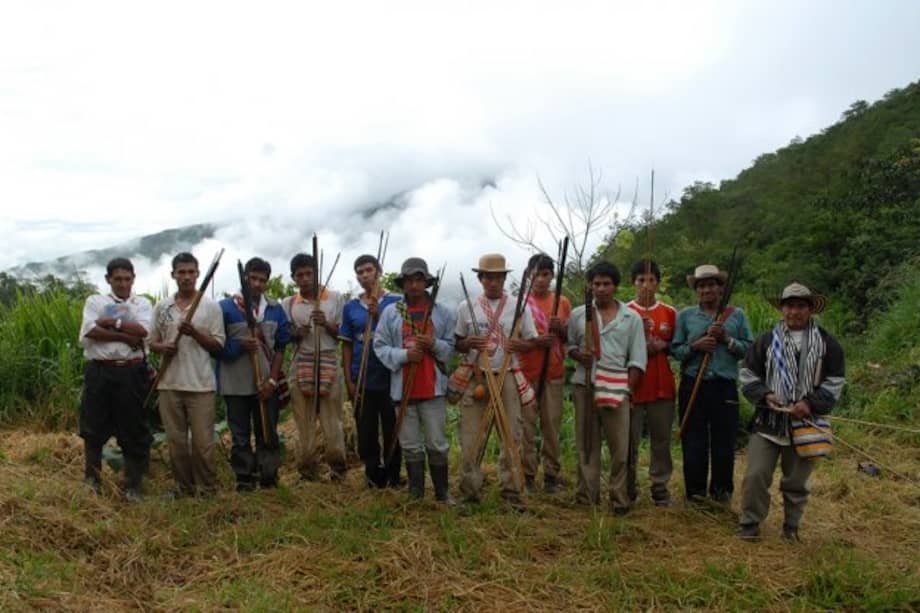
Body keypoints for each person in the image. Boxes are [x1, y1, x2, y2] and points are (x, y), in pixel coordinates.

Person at [738, 283, 845, 541]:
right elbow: (747, 375)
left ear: (810, 309)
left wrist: (809, 403)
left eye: (800, 306)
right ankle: (750, 523)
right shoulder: (765, 341)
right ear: (782, 308)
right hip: (768, 421)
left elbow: (835, 382)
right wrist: (765, 394)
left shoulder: (827, 343)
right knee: (755, 475)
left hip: (805, 423)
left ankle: (791, 527)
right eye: (789, 306)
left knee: (796, 482)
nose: (794, 312)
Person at [454, 253, 537, 505]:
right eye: (488, 277)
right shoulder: (466, 306)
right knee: (471, 436)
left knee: (512, 435)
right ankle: (470, 492)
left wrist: (517, 344)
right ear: (480, 279)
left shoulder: (519, 306)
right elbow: (458, 342)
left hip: (508, 376)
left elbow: (531, 341)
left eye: (498, 277)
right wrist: (468, 342)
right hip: (476, 376)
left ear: (504, 278)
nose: (493, 282)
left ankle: (512, 492)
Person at [567, 262, 646, 514]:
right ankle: (587, 497)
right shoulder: (580, 314)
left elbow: (637, 358)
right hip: (585, 385)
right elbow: (569, 346)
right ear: (590, 286)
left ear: (615, 286)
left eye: (606, 284)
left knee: (620, 448)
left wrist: (627, 390)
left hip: (616, 387)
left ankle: (619, 498)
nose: (601, 289)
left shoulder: (630, 317)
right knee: (587, 445)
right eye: (597, 284)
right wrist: (579, 356)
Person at [375, 258, 456, 502]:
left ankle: (442, 494)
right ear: (403, 283)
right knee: (410, 444)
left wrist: (433, 344)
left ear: (426, 282)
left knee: (437, 443)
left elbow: (451, 348)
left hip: (433, 388)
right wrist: (404, 355)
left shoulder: (442, 312)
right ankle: (416, 494)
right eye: (409, 280)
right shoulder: (391, 313)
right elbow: (380, 346)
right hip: (403, 389)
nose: (414, 285)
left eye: (419, 279)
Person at [671, 264, 753, 503]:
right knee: (693, 440)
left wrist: (726, 339)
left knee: (724, 441)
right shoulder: (685, 316)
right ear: (696, 290)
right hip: (693, 383)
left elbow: (748, 350)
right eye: (702, 286)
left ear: (720, 288)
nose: (707, 290)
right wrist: (695, 347)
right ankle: (695, 493)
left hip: (724, 386)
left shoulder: (736, 315)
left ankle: (721, 493)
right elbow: (676, 350)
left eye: (711, 285)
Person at [148, 252, 225, 496]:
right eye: (181, 272)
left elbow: (218, 345)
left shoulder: (210, 306)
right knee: (176, 442)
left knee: (203, 444)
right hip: (169, 384)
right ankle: (184, 488)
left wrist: (195, 334)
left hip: (200, 385)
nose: (186, 277)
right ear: (173, 275)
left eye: (191, 272)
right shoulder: (162, 307)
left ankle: (208, 489)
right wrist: (163, 348)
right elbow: (151, 342)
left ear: (198, 274)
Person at [78, 257, 154, 501]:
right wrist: (124, 335)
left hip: (132, 372)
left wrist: (111, 323)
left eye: (127, 278)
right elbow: (90, 330)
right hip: (100, 371)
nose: (122, 283)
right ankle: (92, 481)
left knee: (133, 427)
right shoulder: (95, 301)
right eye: (117, 279)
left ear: (133, 279)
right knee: (93, 427)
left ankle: (133, 485)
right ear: (108, 279)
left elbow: (142, 332)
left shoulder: (142, 303)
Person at [218, 257, 290, 491]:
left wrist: (272, 380)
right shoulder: (226, 308)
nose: (257, 284)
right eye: (253, 278)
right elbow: (217, 348)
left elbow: (280, 348)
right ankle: (244, 478)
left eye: (262, 280)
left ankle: (268, 477)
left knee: (267, 432)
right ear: (245, 278)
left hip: (265, 384)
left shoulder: (275, 309)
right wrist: (238, 347)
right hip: (235, 383)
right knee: (239, 434)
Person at [339, 254, 402, 488]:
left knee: (392, 429)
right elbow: (346, 344)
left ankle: (394, 475)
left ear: (379, 271)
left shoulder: (396, 302)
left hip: (390, 377)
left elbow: (404, 335)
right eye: (360, 271)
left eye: (368, 270)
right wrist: (349, 379)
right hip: (362, 378)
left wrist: (378, 316)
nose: (364, 275)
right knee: (366, 431)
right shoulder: (351, 307)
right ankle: (373, 475)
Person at [283, 253, 347, 481]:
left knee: (332, 420)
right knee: (304, 421)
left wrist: (327, 324)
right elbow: (284, 335)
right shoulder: (289, 304)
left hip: (329, 359)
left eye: (309, 273)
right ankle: (307, 470)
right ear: (294, 278)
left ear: (316, 273)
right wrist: (295, 334)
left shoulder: (335, 298)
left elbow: (344, 334)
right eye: (299, 275)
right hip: (302, 361)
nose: (305, 278)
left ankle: (338, 469)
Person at [518, 253, 572, 493]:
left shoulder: (562, 302)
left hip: (553, 373)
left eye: (546, 274)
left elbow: (571, 339)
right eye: (536, 274)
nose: (541, 279)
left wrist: (560, 331)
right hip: (525, 373)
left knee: (551, 427)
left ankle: (551, 475)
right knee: (526, 428)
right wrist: (536, 341)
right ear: (529, 275)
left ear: (552, 276)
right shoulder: (519, 302)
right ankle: (527, 475)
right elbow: (512, 339)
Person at [626, 259, 677, 507]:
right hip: (634, 386)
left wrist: (663, 345)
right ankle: (628, 485)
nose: (646, 285)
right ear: (633, 283)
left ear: (658, 283)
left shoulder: (669, 312)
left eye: (651, 280)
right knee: (629, 440)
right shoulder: (625, 311)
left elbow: (678, 346)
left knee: (661, 439)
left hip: (662, 386)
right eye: (641, 280)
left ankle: (660, 486)